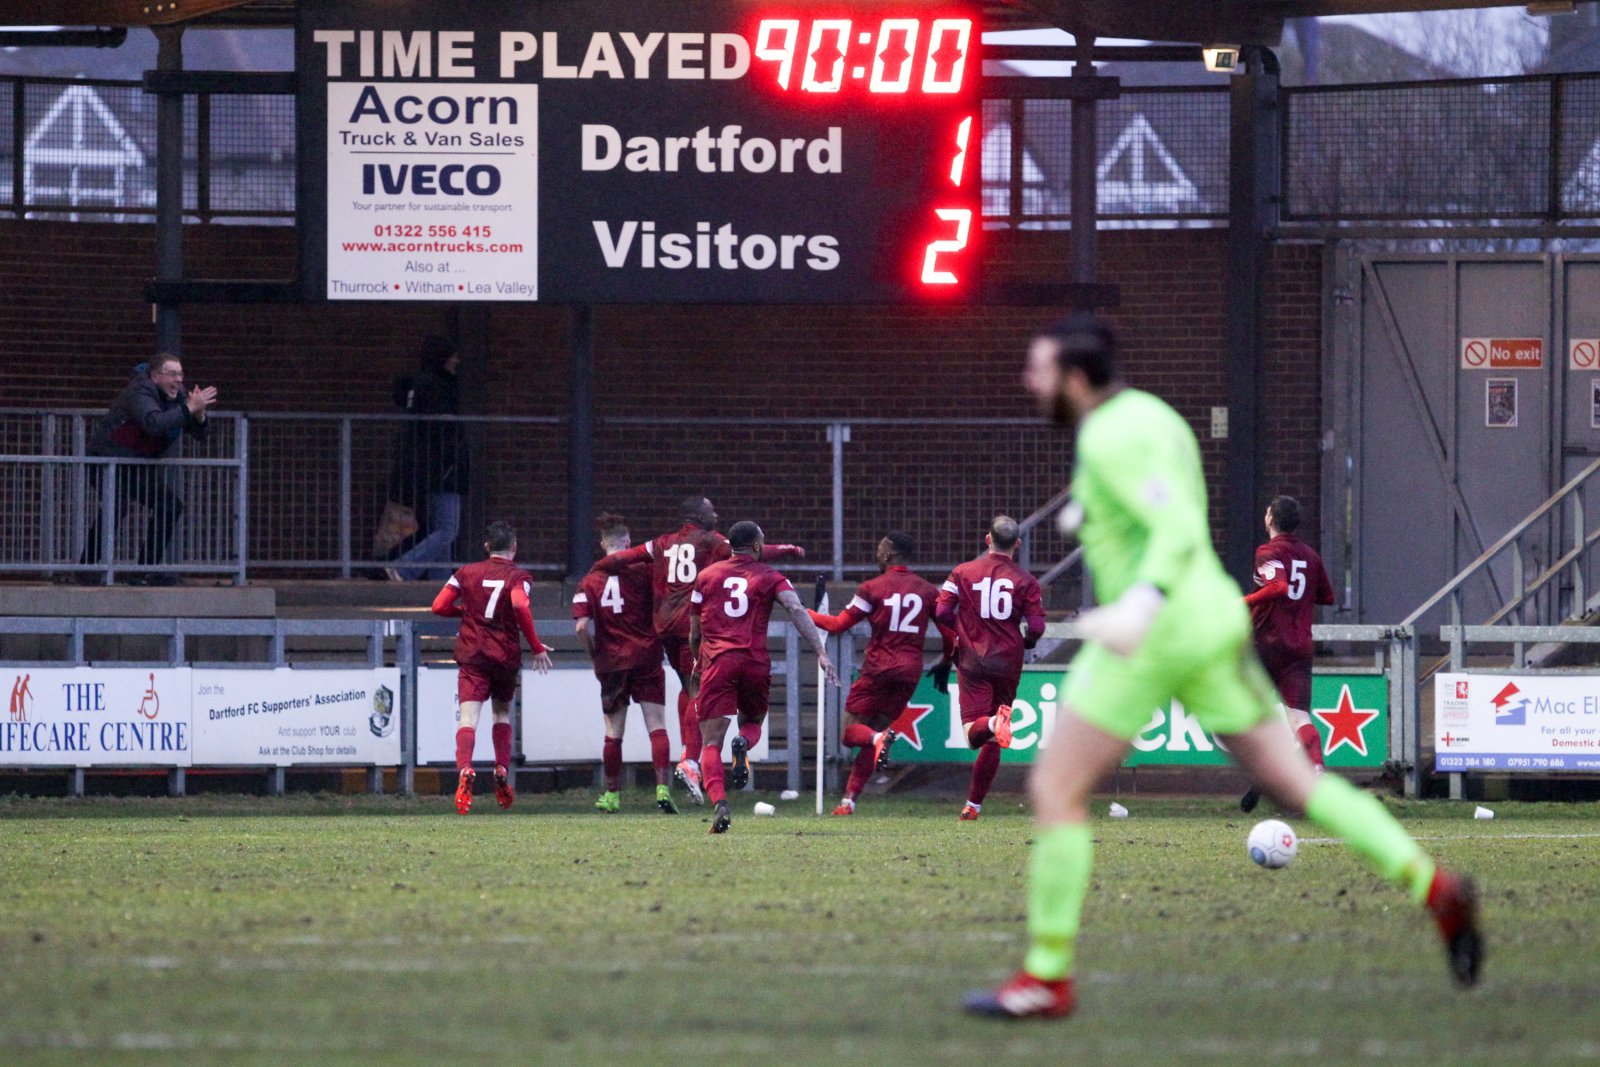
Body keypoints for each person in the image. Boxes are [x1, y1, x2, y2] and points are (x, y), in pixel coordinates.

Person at [964, 313, 1482, 1020]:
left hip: (1158, 630)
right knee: (1297, 784)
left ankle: (1048, 974)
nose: (1030, 380)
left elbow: (1174, 523)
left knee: (1056, 787)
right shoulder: (1155, 416)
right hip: (1208, 619)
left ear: (1076, 378)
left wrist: (1140, 602)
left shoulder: (1110, 434)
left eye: (1040, 368)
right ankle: (1435, 886)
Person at [596, 495, 804, 804]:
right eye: (711, 511)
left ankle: (688, 755)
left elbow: (623, 559)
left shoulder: (662, 543)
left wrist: (598, 567)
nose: (717, 515)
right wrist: (790, 550)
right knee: (697, 691)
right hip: (691, 626)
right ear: (697, 516)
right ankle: (691, 762)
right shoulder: (712, 542)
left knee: (688, 686)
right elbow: (757, 552)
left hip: (665, 625)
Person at [690, 520, 838, 834]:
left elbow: (694, 632)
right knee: (753, 721)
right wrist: (821, 652)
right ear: (757, 546)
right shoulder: (771, 577)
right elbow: (797, 610)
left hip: (718, 663)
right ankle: (743, 742)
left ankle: (720, 804)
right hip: (754, 662)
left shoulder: (705, 577)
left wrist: (696, 660)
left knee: (710, 742)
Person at [807, 531, 955, 815]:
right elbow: (950, 633)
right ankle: (849, 801)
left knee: (851, 734)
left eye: (879, 549)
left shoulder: (872, 588)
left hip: (878, 669)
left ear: (888, 555)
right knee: (871, 734)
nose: (877, 553)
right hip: (909, 672)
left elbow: (838, 624)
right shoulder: (927, 590)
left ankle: (877, 741)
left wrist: (804, 613)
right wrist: (946, 661)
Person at [431, 520, 552, 815]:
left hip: (473, 655)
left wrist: (463, 611)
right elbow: (521, 606)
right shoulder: (519, 576)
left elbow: (438, 606)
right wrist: (536, 646)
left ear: (486, 547)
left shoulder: (466, 572)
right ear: (514, 547)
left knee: (468, 718)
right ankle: (501, 768)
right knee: (501, 713)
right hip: (504, 656)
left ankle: (465, 770)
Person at [933, 516, 1045, 822]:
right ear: (1018, 545)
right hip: (1008, 660)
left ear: (987, 540)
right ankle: (974, 805)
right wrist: (1028, 641)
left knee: (973, 735)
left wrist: (962, 628)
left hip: (974, 659)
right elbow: (1036, 625)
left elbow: (942, 610)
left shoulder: (962, 572)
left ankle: (995, 722)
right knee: (994, 738)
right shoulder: (1027, 581)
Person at [572, 512, 678, 815]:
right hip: (646, 656)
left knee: (613, 731)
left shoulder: (589, 581)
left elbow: (581, 627)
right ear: (628, 543)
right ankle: (662, 789)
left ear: (602, 545)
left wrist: (594, 653)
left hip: (612, 661)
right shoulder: (646, 571)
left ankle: (613, 796)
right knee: (656, 725)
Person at [83, 354, 218, 585]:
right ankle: (87, 569)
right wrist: (188, 409)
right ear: (155, 376)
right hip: (108, 461)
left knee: (169, 506)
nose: (178, 380)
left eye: (180, 374)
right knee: (117, 506)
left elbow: (200, 434)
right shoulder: (140, 392)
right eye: (172, 374)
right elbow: (153, 424)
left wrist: (199, 413)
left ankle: (144, 570)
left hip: (138, 465)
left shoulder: (180, 398)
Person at [1239, 495, 1337, 814]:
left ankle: (1268, 772)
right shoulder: (1310, 555)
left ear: (1270, 519)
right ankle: (1317, 771)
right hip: (1299, 646)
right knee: (1299, 717)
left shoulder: (1267, 551)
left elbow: (1279, 587)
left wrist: (1243, 601)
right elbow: (1327, 596)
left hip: (1266, 644)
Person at [390, 334, 469, 581]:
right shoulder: (439, 387)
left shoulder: (419, 385)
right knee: (447, 529)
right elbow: (442, 431)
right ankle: (404, 567)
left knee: (439, 530)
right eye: (453, 355)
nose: (457, 360)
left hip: (428, 468)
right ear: (443, 356)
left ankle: (442, 582)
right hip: (444, 469)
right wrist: (452, 459)